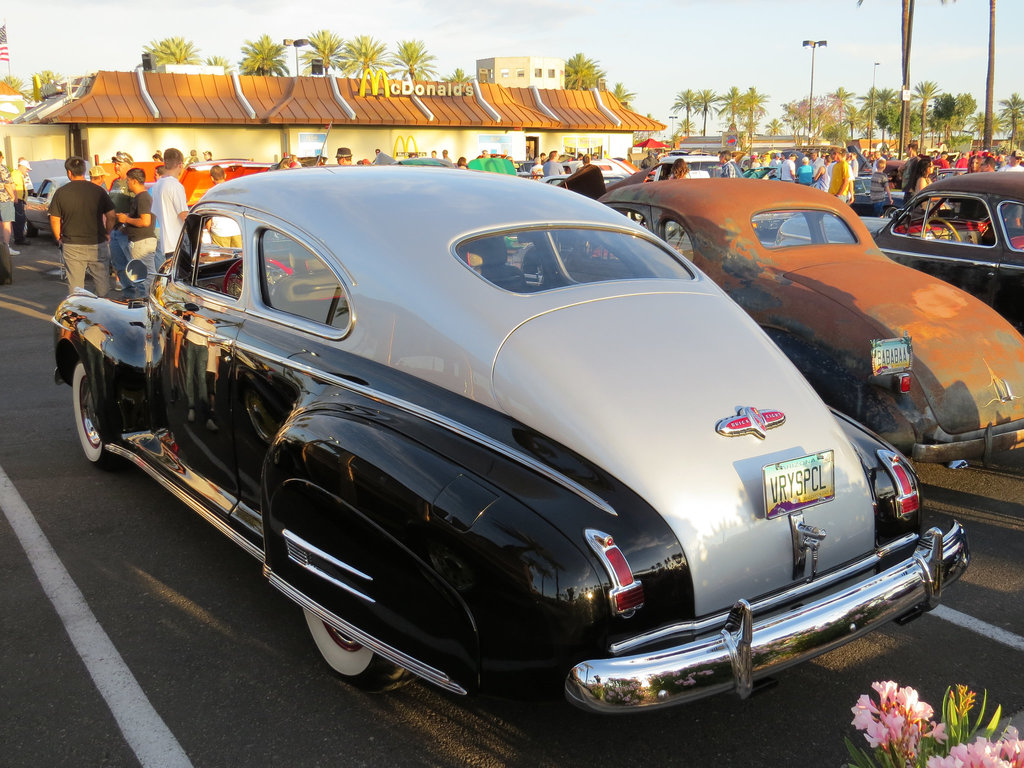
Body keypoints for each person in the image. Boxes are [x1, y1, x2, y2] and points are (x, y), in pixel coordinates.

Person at [48, 156, 115, 294]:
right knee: (102, 282)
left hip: (72, 245)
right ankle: (102, 309)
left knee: (76, 286)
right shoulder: (99, 191)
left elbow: (54, 219)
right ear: (84, 171)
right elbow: (111, 216)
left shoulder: (61, 193)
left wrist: (58, 237)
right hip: (97, 243)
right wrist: (107, 233)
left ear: (69, 172)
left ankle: (79, 311)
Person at [115, 168, 157, 298]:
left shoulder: (143, 198)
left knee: (145, 276)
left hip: (142, 242)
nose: (127, 183)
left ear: (134, 181)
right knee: (142, 275)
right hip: (140, 241)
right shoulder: (141, 198)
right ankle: (146, 300)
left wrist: (126, 219)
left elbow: (145, 221)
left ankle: (148, 302)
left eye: (128, 181)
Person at [107, 151, 136, 298]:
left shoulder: (131, 182)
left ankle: (137, 295)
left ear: (128, 165)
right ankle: (127, 294)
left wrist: (127, 224)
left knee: (131, 265)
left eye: (119, 163)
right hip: (114, 229)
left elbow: (135, 207)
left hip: (126, 231)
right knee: (118, 265)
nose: (116, 166)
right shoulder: (115, 182)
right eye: (115, 163)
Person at [151, 147, 188, 259]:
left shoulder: (157, 186)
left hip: (165, 243)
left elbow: (155, 212)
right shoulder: (176, 186)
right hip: (178, 243)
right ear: (180, 164)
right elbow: (184, 216)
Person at [206, 165, 243, 247]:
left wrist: (208, 229)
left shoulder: (210, 193)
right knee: (241, 257)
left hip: (220, 231)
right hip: (237, 229)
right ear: (225, 175)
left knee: (224, 257)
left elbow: (208, 213)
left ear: (212, 178)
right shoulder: (236, 190)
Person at [11, 158, 32, 245]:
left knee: (20, 220)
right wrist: (15, 198)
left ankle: (20, 238)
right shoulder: (16, 174)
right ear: (22, 167)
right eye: (27, 169)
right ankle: (19, 239)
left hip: (19, 200)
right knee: (19, 220)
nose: (27, 171)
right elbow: (13, 187)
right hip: (17, 201)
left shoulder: (19, 175)